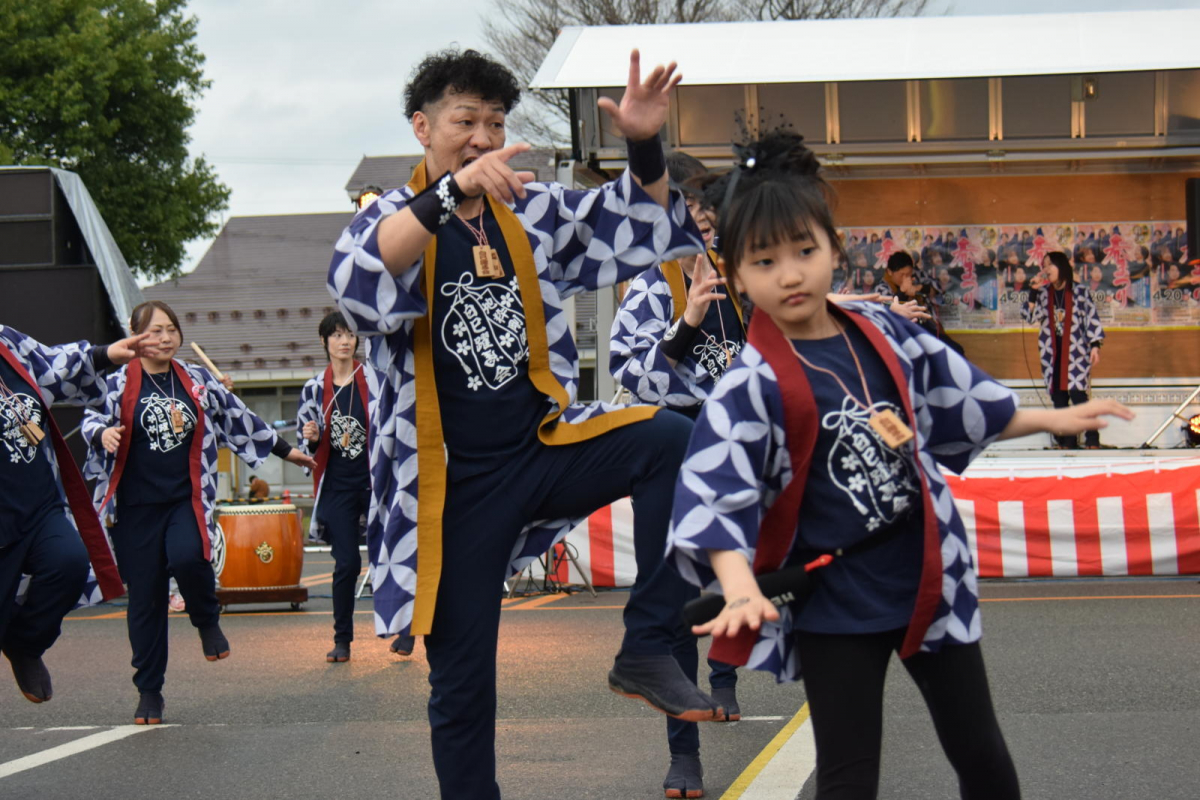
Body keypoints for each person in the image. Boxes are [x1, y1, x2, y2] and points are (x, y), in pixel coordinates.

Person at [661, 131, 1135, 800]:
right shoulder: (749, 384)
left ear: (834, 250)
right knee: (849, 775)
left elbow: (960, 400)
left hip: (925, 574)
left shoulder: (883, 333)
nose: (789, 274)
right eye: (764, 261)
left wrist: (1053, 419)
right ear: (737, 276)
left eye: (804, 251)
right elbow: (716, 493)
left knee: (983, 756)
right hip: (833, 599)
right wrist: (739, 586)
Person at [327, 48, 717, 799]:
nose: (483, 138)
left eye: (496, 123)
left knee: (672, 440)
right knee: (462, 687)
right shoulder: (392, 216)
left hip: (541, 445)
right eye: (464, 121)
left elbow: (637, 222)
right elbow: (357, 285)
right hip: (453, 491)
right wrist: (449, 194)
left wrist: (642, 142)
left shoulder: (529, 209)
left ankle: (646, 641)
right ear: (422, 128)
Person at [82, 301, 316, 725]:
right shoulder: (116, 381)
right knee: (146, 601)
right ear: (135, 335)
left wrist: (288, 452)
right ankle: (149, 691)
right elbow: (89, 419)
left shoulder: (197, 379)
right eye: (155, 331)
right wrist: (103, 433)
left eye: (171, 329)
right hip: (135, 509)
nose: (165, 338)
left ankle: (206, 619)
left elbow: (239, 416)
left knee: (189, 556)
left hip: (185, 499)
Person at [1, 325, 147, 703]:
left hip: (38, 504)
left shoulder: (6, 341)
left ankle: (25, 645)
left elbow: (52, 365)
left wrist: (104, 355)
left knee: (68, 563)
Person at [296, 312, 403, 662]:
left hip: (377, 481)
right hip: (338, 486)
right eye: (337, 335)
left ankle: (407, 629)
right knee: (346, 564)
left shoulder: (375, 379)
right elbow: (305, 445)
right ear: (324, 341)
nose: (345, 341)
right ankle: (342, 639)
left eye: (350, 335)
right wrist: (312, 437)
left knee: (392, 554)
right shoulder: (314, 388)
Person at [1024, 252, 1106, 449]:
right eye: (1044, 265)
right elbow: (1029, 316)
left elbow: (1091, 318)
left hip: (1076, 351)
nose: (1046, 269)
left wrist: (1095, 345)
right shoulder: (1044, 292)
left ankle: (1092, 438)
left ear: (1061, 266)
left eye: (1050, 265)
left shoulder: (1080, 291)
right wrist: (1033, 291)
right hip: (1052, 352)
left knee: (1078, 395)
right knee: (1058, 396)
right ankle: (1068, 440)